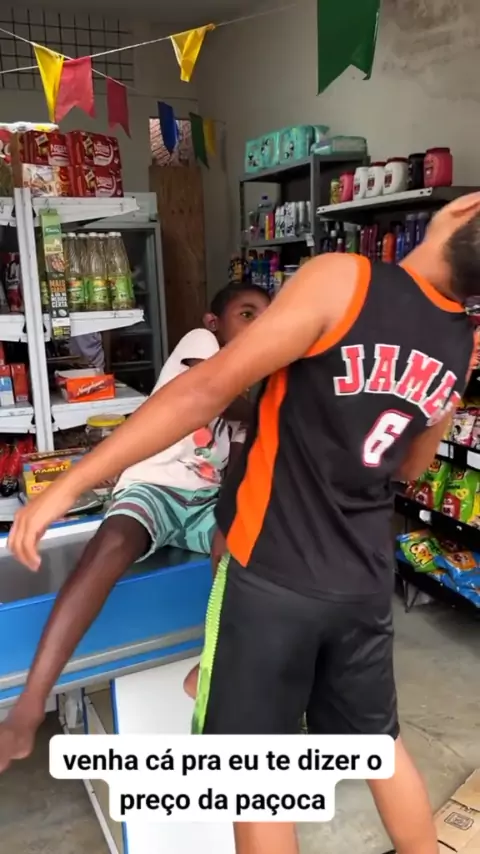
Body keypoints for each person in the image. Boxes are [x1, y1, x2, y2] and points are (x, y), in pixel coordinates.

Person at [4, 193, 480, 854]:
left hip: (274, 570)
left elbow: (206, 389)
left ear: (462, 209)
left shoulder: (346, 278)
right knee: (379, 745)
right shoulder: (461, 339)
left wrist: (73, 482)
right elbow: (411, 467)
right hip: (364, 576)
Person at [0, 281, 270, 771]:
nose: (258, 326)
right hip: (155, 484)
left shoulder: (255, 383)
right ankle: (29, 706)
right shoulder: (202, 345)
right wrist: (276, 411)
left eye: (266, 318)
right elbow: (213, 397)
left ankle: (212, 664)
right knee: (113, 541)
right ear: (214, 322)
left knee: (238, 543)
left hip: (205, 499)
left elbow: (236, 469)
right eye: (247, 314)